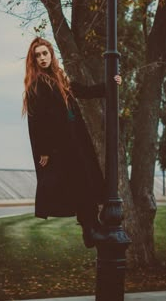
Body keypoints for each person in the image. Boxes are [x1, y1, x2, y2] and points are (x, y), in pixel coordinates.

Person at [22, 37, 122, 248]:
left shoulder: (60, 78)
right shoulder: (36, 85)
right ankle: (90, 232)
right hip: (61, 147)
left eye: (44, 53)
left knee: (86, 183)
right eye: (37, 55)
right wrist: (44, 150)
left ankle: (93, 229)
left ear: (51, 54)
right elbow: (36, 122)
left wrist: (111, 84)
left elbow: (85, 91)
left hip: (76, 140)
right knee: (81, 185)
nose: (42, 58)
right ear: (33, 59)